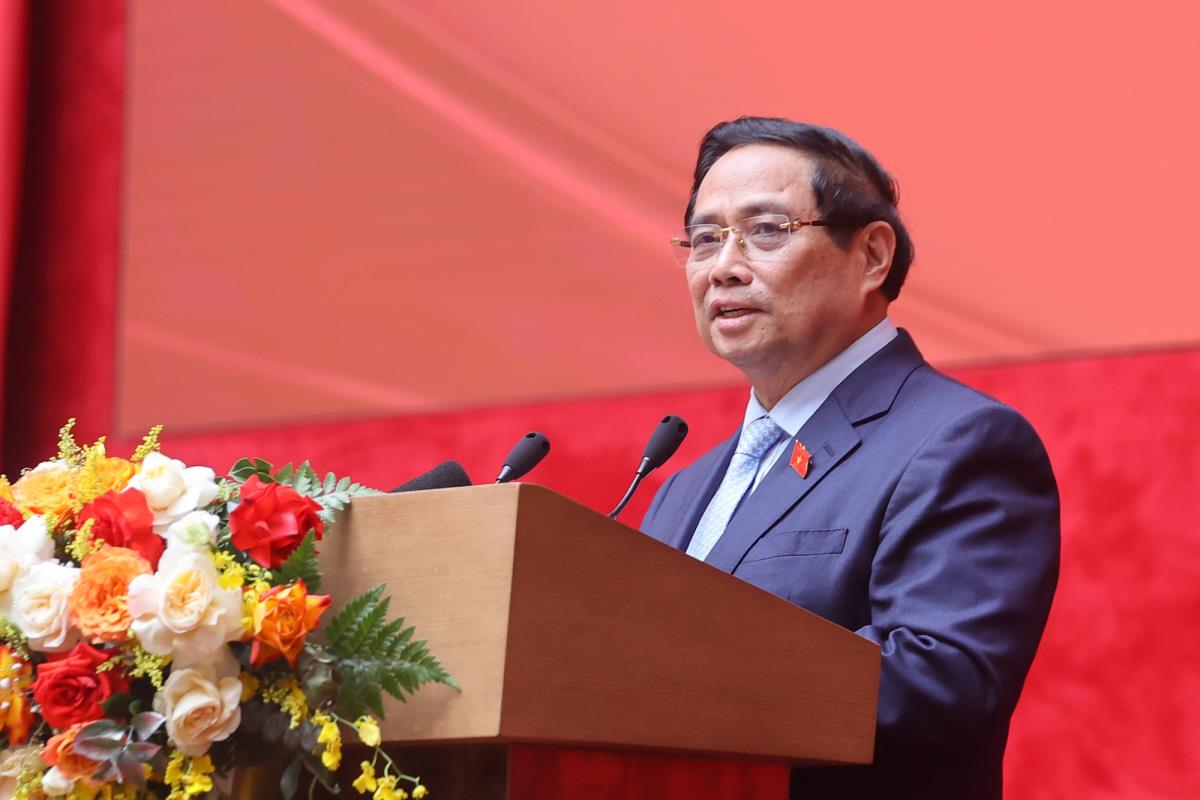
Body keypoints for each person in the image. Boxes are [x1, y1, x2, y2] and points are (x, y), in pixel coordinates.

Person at [640, 117, 1059, 800]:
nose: (723, 267)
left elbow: (941, 688)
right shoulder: (681, 488)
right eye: (706, 238)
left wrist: (674, 679)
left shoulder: (959, 442)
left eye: (766, 230)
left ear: (871, 256)